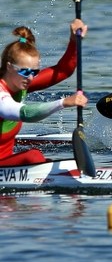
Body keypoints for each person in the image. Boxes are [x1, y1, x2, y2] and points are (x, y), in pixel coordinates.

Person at [1, 22, 89, 167]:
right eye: (25, 71)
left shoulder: (20, 82)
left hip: (5, 164)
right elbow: (26, 113)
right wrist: (63, 102)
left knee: (39, 159)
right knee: (34, 156)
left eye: (34, 72)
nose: (30, 77)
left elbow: (62, 71)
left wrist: (74, 41)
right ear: (9, 67)